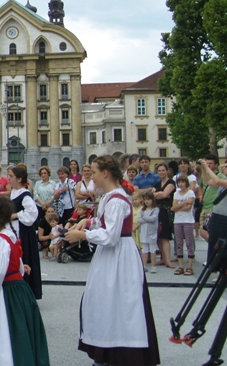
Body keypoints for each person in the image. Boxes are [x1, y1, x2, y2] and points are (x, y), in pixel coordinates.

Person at [64, 155, 160, 366]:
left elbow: (111, 236)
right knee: (107, 301)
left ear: (105, 173)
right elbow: (105, 223)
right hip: (112, 256)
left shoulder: (116, 200)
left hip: (119, 256)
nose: (92, 177)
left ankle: (121, 354)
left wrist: (83, 235)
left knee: (120, 302)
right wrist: (88, 222)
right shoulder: (110, 197)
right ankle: (106, 352)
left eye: (94, 173)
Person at [0, 195, 50, 366]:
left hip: (5, 295)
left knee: (1, 337)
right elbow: (14, 266)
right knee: (16, 334)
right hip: (16, 291)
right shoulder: (9, 235)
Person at [9, 166, 42, 300]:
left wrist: (16, 215)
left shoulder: (25, 195)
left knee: (26, 258)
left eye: (11, 176)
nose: (9, 179)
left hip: (24, 232)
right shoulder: (14, 192)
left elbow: (32, 214)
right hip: (15, 229)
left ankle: (28, 292)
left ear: (19, 179)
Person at [199, 155, 226, 246]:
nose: (223, 168)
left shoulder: (223, 179)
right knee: (204, 232)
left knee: (215, 237)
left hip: (223, 215)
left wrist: (206, 167)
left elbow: (218, 181)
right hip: (217, 213)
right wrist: (203, 168)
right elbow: (208, 181)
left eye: (226, 167)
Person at [172, 176, 196, 276]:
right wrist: (185, 202)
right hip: (177, 221)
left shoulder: (190, 193)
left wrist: (178, 207)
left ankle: (190, 266)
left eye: (183, 182)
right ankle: (181, 266)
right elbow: (173, 207)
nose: (181, 184)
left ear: (186, 183)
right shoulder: (176, 193)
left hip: (188, 221)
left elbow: (189, 207)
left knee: (189, 243)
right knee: (179, 243)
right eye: (179, 182)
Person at [153, 163, 176, 269]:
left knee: (165, 236)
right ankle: (163, 258)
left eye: (163, 170)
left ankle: (167, 259)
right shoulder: (157, 183)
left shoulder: (171, 182)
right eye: (159, 171)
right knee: (159, 236)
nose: (161, 172)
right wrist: (159, 194)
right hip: (157, 210)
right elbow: (151, 196)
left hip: (166, 211)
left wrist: (158, 194)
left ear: (167, 171)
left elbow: (165, 195)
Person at [135, 192, 159, 274]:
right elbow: (139, 219)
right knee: (144, 249)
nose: (147, 201)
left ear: (152, 200)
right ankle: (144, 265)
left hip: (151, 232)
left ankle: (153, 266)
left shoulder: (155, 209)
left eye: (148, 199)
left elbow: (153, 219)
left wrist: (144, 218)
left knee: (152, 249)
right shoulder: (143, 210)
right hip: (143, 232)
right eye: (145, 200)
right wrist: (146, 219)